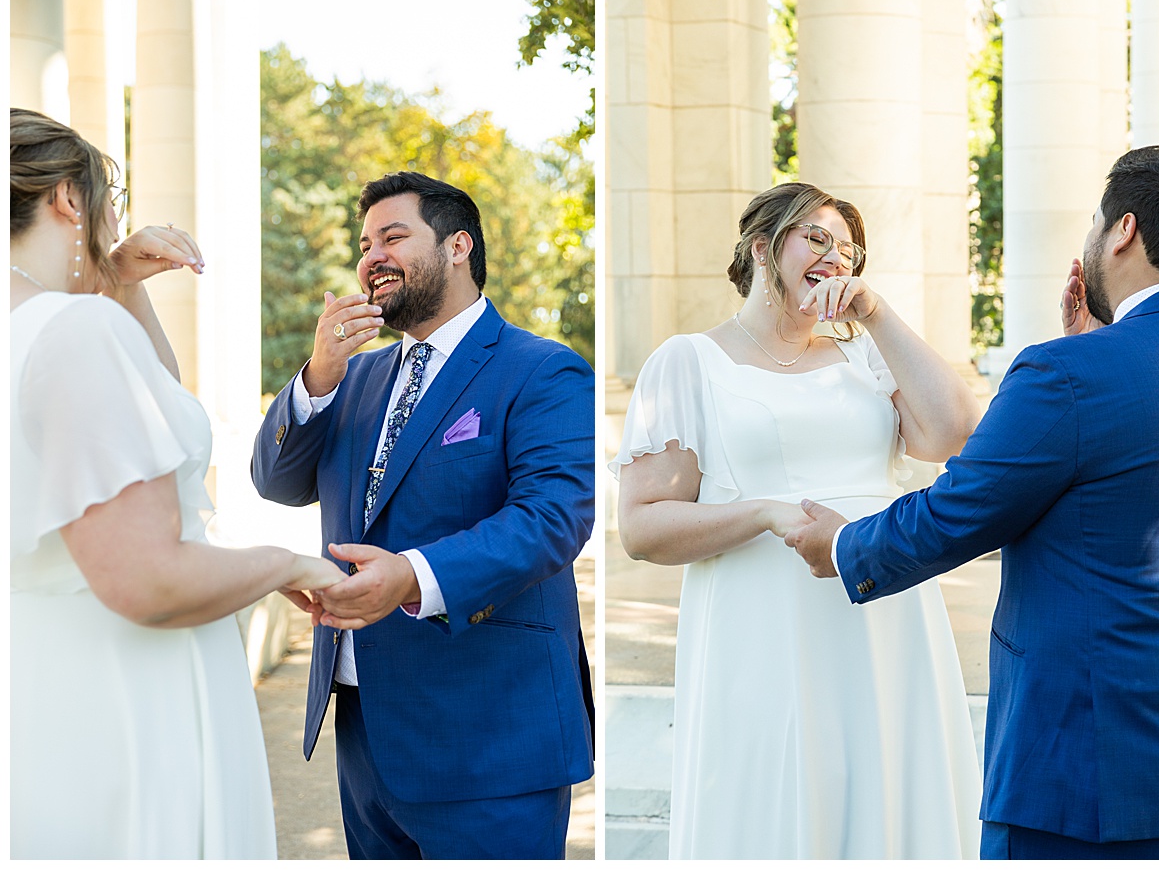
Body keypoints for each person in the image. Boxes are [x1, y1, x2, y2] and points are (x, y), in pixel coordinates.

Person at [787, 146, 1159, 860]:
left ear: (1123, 231)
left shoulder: (1066, 373)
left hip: (1083, 771)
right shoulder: (1088, 369)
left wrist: (844, 545)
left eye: (1093, 223)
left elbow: (961, 508)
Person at [9, 108, 345, 859]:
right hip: (119, 698)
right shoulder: (71, 332)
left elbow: (153, 417)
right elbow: (148, 576)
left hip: (36, 687)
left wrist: (118, 285)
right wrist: (288, 563)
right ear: (69, 199)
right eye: (106, 207)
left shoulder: (59, 327)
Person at [611, 181, 983, 859]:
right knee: (776, 804)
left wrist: (874, 311)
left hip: (886, 615)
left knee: (892, 799)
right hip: (764, 626)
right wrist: (762, 511)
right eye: (816, 237)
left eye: (848, 248)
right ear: (761, 246)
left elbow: (956, 431)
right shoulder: (689, 363)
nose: (836, 256)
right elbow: (640, 526)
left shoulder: (865, 355)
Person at [251, 171, 595, 860]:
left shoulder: (542, 369)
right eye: (364, 242)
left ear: (458, 244)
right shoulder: (353, 377)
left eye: (393, 235)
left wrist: (411, 576)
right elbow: (276, 480)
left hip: (491, 736)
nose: (371, 254)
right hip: (366, 735)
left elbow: (552, 516)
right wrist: (318, 374)